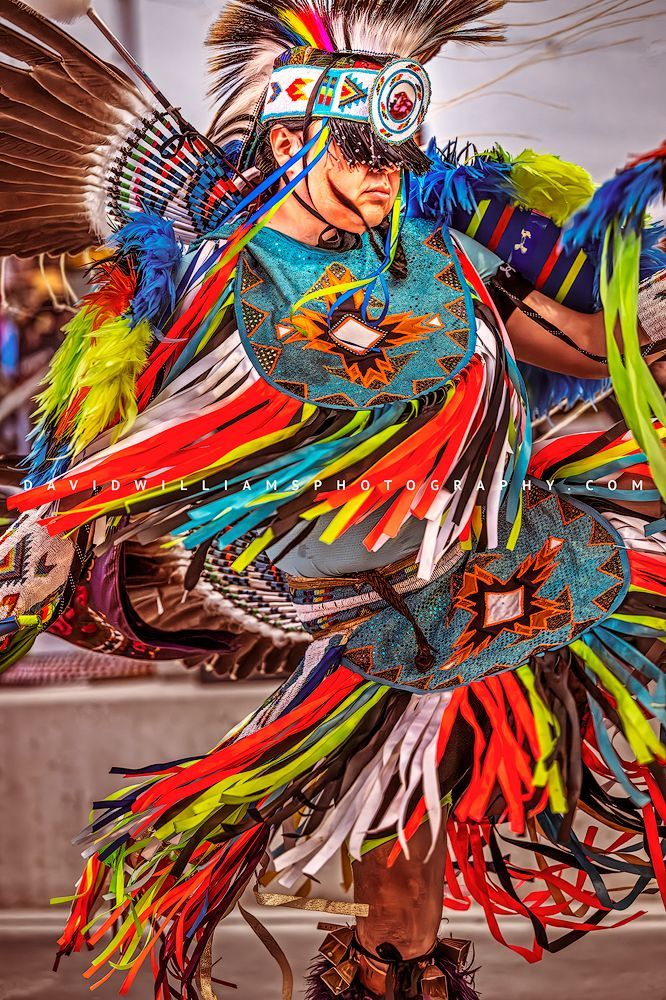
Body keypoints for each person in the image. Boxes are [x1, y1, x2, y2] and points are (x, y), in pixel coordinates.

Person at [0, 1, 664, 997]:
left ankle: (397, 969)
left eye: (394, 158)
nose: (378, 180)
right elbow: (130, 407)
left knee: (416, 751)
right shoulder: (214, 255)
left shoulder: (433, 256)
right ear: (285, 139)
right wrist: (62, 513)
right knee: (416, 681)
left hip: (430, 572)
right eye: (356, 152)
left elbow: (565, 341)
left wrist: (641, 320)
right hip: (244, 555)